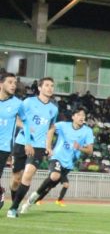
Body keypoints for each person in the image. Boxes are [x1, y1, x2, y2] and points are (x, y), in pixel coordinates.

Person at [20, 108, 94, 214]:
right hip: (57, 157)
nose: (82, 117)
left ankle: (32, 199)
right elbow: (50, 127)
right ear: (73, 117)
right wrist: (48, 146)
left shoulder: (87, 131)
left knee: (49, 186)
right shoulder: (63, 125)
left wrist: (80, 148)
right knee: (55, 176)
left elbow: (90, 150)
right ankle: (32, 198)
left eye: (83, 115)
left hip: (69, 164)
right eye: (79, 114)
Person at [6, 77, 58, 218]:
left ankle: (13, 208)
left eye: (52, 85)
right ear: (39, 88)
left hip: (38, 146)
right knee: (16, 179)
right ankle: (15, 202)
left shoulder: (53, 109)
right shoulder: (28, 102)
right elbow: (17, 119)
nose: (50, 88)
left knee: (28, 174)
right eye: (47, 85)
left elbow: (51, 127)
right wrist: (26, 127)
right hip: (21, 142)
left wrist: (48, 146)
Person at [0, 73, 22, 210]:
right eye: (10, 82)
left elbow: (25, 121)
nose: (13, 85)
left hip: (3, 146)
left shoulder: (18, 104)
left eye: (15, 83)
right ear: (1, 84)